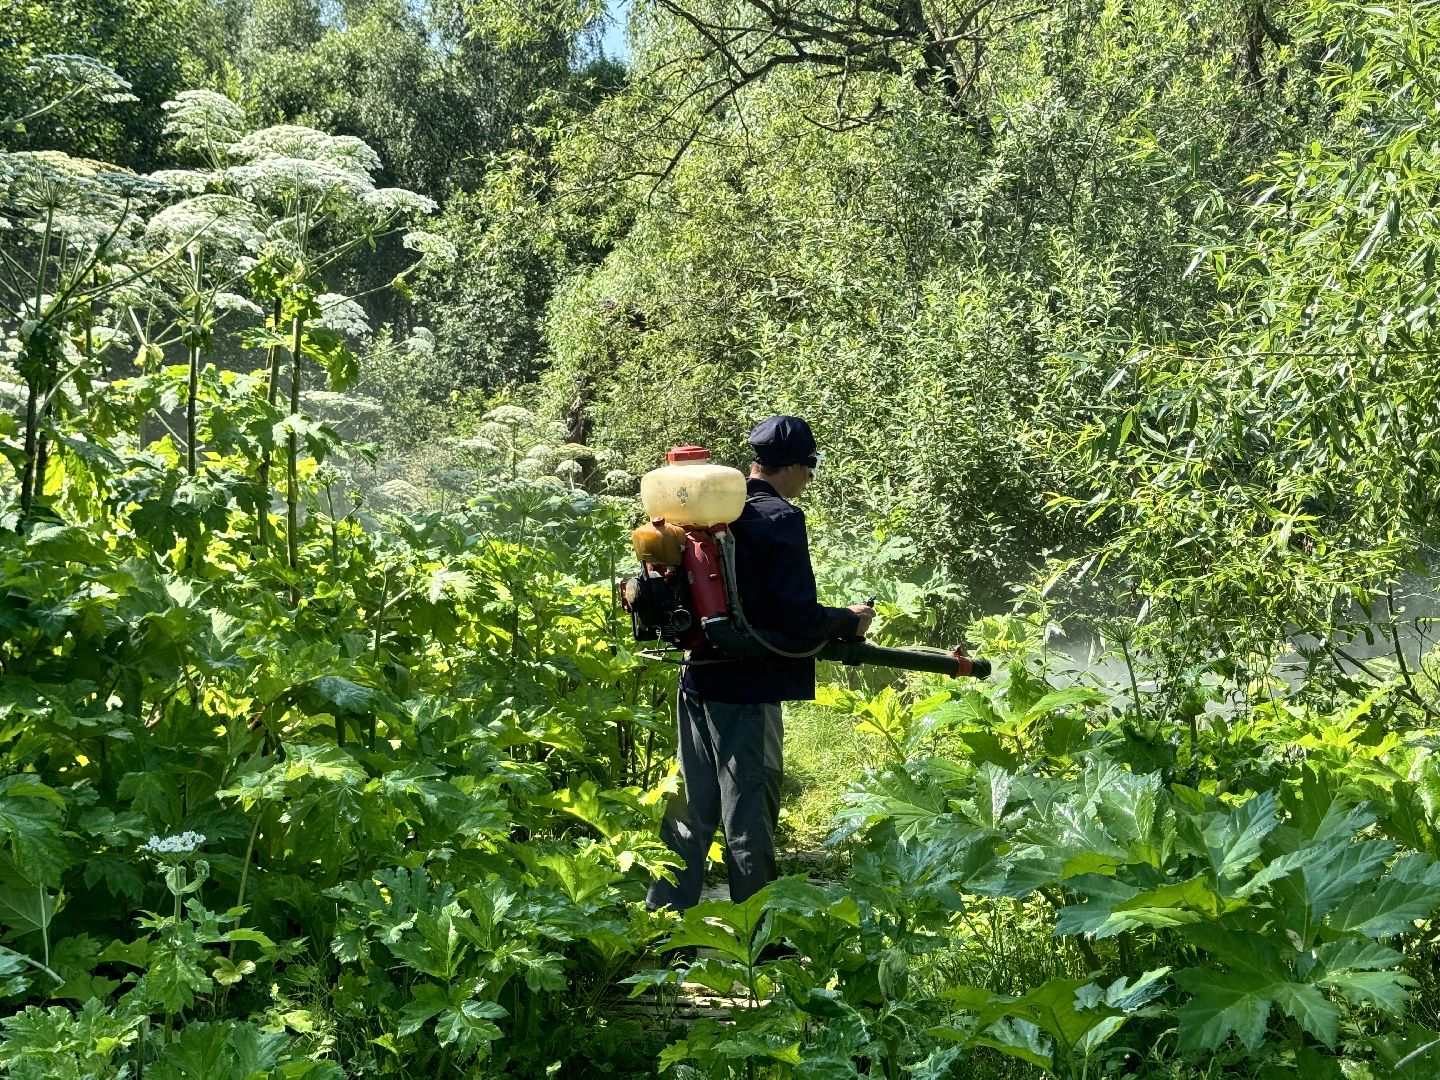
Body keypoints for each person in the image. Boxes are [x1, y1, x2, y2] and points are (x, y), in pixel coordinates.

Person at [646, 415, 875, 913]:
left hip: (697, 673)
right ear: (791, 466)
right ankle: (761, 935)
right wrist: (847, 620)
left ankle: (662, 926)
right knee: (749, 810)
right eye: (809, 467)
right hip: (747, 687)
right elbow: (797, 617)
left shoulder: (710, 512)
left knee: (693, 808)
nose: (809, 479)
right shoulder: (780, 519)